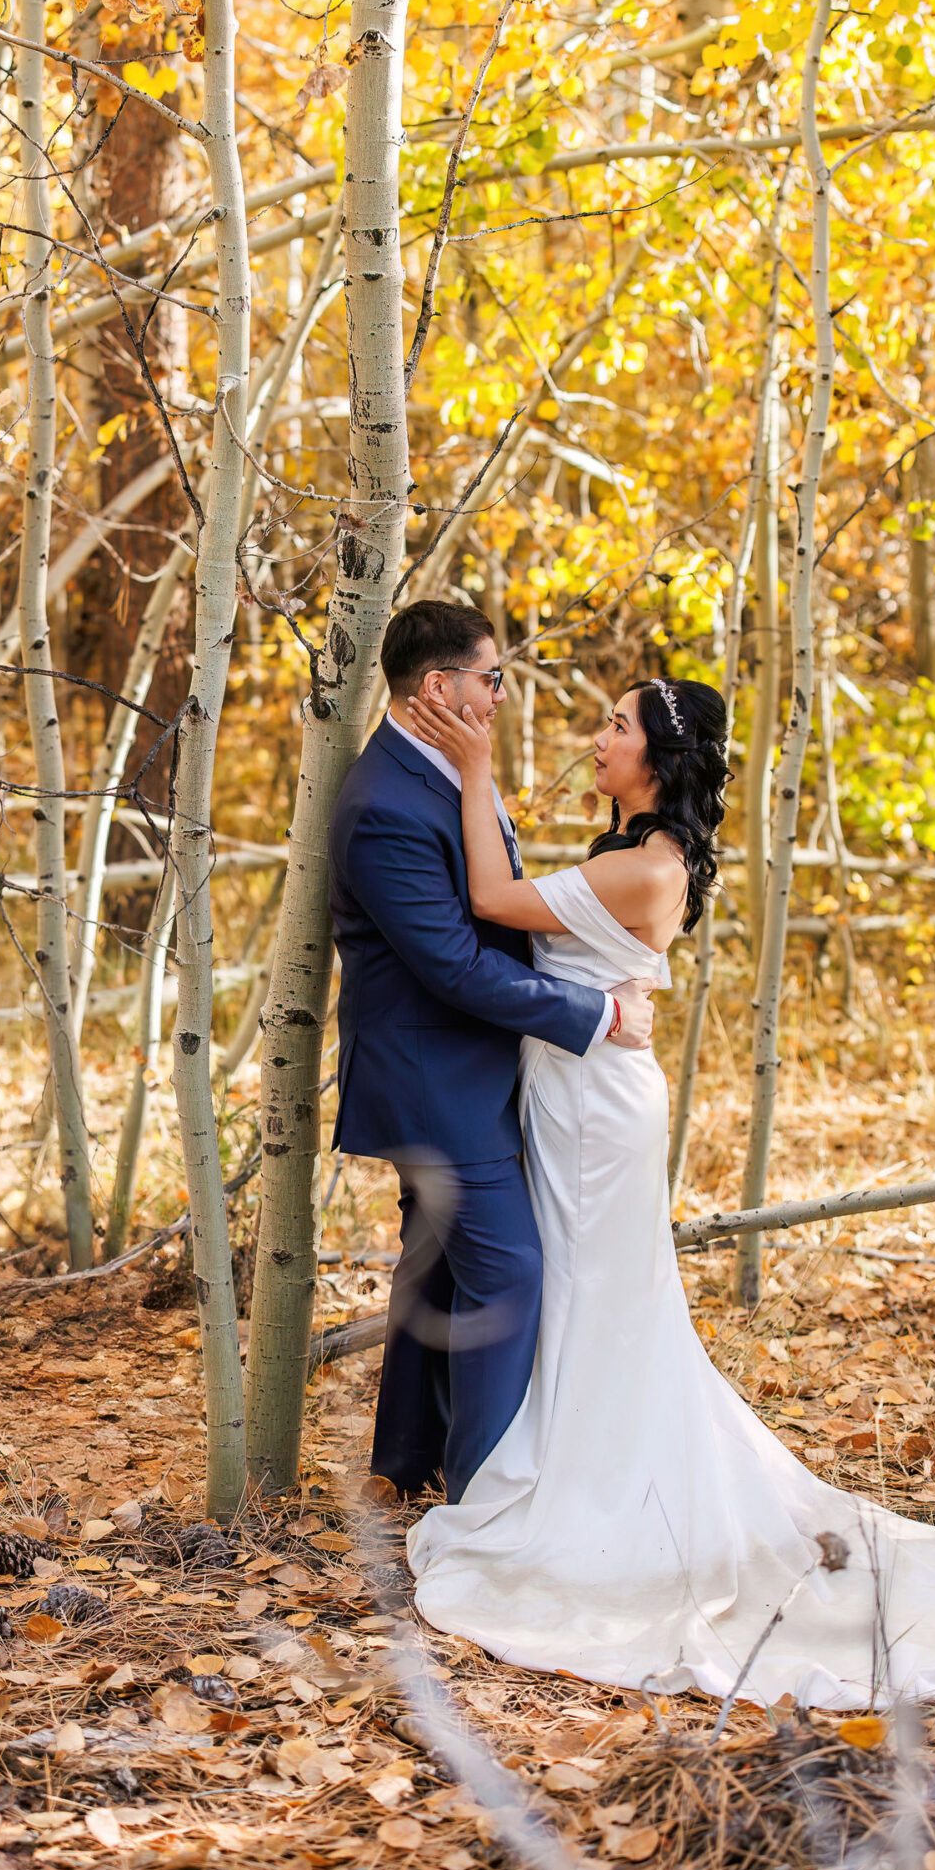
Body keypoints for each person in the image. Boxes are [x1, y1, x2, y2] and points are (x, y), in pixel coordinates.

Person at [399, 673, 935, 1710]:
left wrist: (476, 766)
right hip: (573, 1090)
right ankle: (568, 1454)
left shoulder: (648, 868)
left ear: (657, 762)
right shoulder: (625, 853)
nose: (599, 736)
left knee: (601, 1296)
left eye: (616, 726)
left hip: (599, 1116)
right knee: (577, 1290)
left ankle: (604, 1491)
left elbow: (489, 902)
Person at [327, 600, 655, 1505]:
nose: (503, 694)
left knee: (435, 1267)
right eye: (492, 677)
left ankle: (403, 1466)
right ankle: (485, 1498)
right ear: (440, 687)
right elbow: (454, 967)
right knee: (508, 1275)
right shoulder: (387, 802)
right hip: (433, 1078)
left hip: (465, 1068)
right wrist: (595, 1013)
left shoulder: (444, 770)